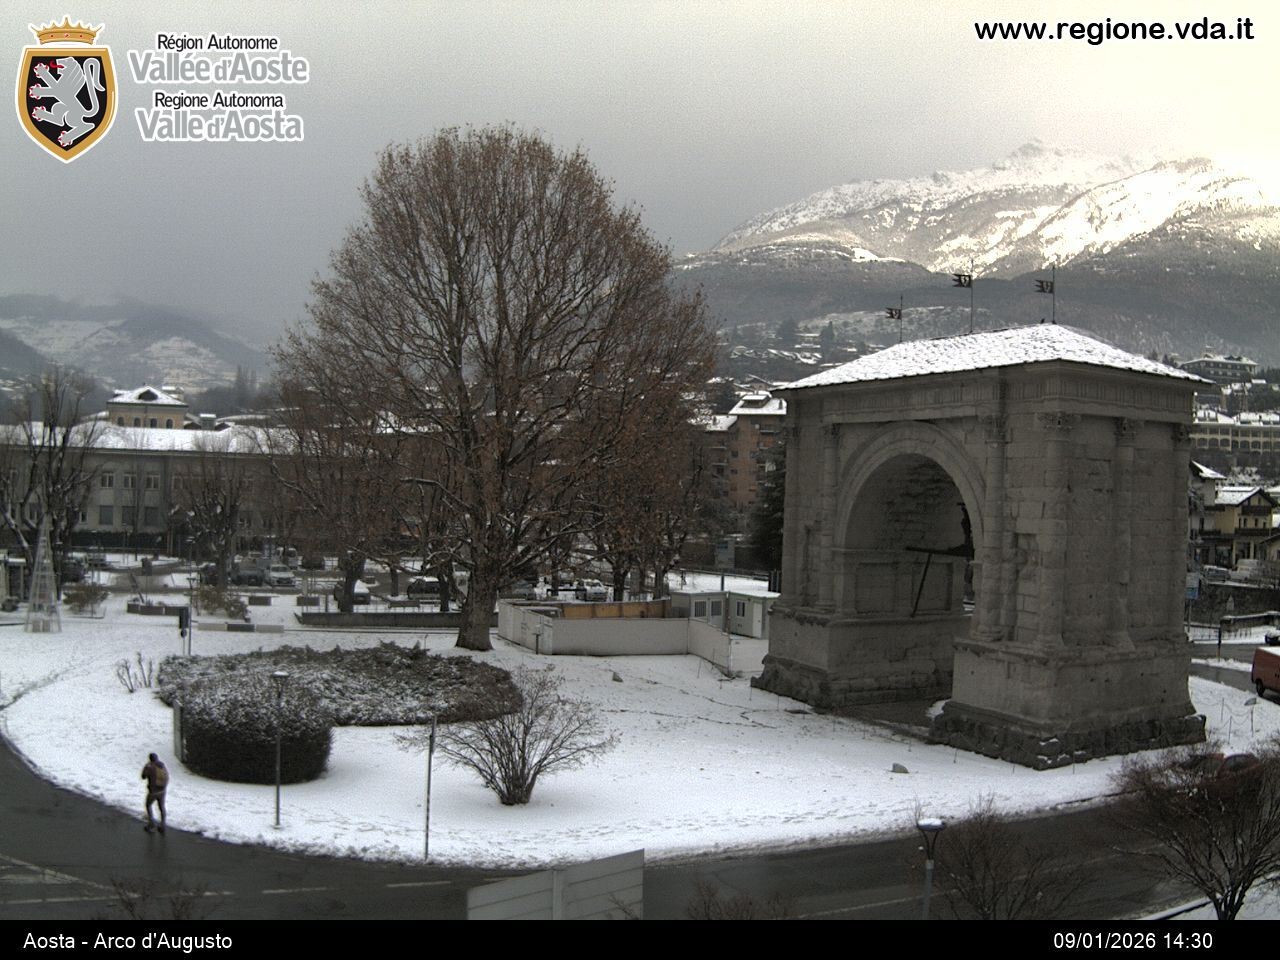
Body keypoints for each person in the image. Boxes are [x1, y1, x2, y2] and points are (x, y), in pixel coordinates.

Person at [141, 752, 168, 834]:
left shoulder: (150, 766)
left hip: (153, 791)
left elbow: (143, 776)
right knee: (161, 807)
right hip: (162, 790)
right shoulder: (162, 766)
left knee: (148, 805)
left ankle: (151, 824)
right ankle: (162, 825)